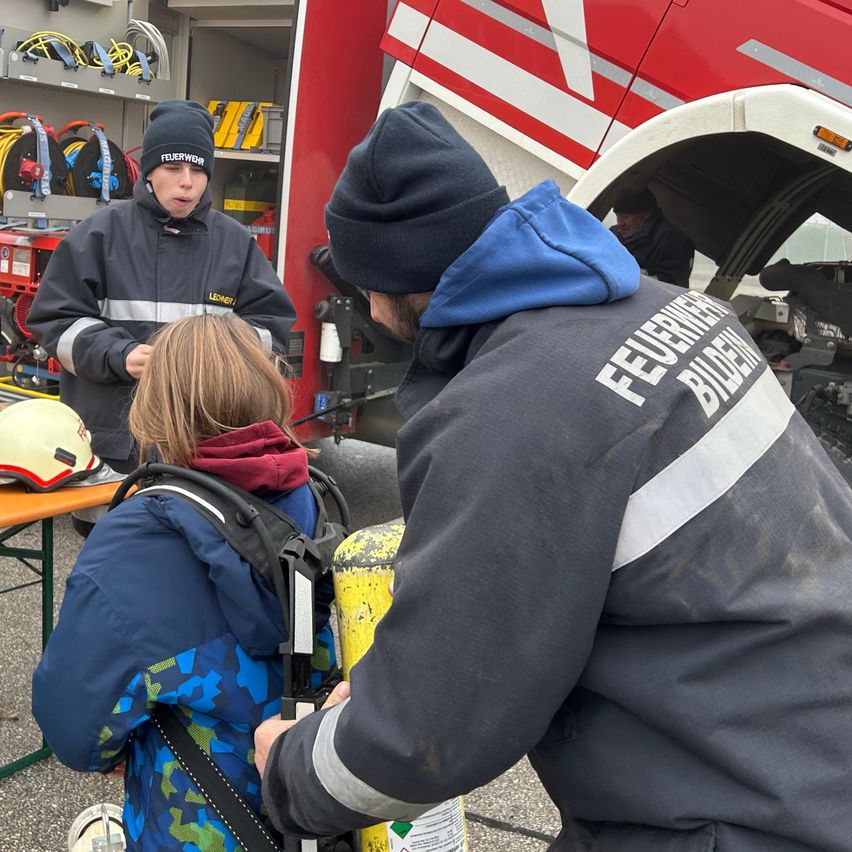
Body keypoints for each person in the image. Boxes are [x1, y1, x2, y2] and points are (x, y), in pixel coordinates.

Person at [254, 102, 852, 851]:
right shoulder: (678, 310)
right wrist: (393, 678)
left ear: (397, 277)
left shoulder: (509, 414)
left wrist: (292, 767)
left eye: (363, 283)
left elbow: (428, 731)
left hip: (739, 815)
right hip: (809, 748)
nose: (366, 308)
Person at [32, 313, 336, 851]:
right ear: (268, 386)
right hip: (319, 800)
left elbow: (73, 725)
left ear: (154, 407)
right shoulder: (313, 497)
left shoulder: (136, 539)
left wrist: (114, 751)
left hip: (195, 821)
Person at [27, 100, 296, 483]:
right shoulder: (97, 236)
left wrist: (215, 360)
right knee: (113, 524)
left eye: (198, 170)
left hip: (205, 446)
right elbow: (55, 322)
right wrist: (120, 355)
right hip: (113, 448)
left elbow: (272, 328)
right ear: (150, 170)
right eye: (173, 168)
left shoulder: (236, 244)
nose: (187, 182)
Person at [610, 186, 694, 286]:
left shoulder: (671, 239)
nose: (620, 223)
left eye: (625, 217)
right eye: (617, 215)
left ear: (646, 215)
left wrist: (638, 276)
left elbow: (672, 283)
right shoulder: (611, 234)